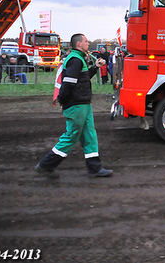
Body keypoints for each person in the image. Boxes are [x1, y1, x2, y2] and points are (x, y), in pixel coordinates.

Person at [35, 34, 113, 179]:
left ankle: (95, 168)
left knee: (89, 135)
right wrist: (63, 101)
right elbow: (68, 84)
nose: (88, 43)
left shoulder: (78, 59)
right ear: (78, 44)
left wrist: (95, 68)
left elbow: (81, 79)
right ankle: (46, 165)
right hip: (77, 105)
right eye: (86, 41)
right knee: (72, 136)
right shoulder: (76, 60)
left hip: (83, 104)